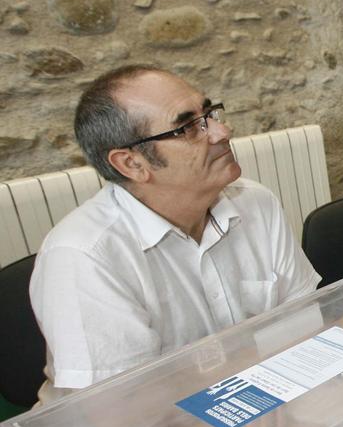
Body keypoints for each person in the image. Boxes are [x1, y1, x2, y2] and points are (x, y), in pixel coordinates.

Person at [30, 65, 321, 405]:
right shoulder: (83, 256)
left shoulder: (256, 203)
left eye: (210, 113)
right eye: (187, 127)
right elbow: (126, 413)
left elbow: (308, 324)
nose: (221, 131)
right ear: (132, 164)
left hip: (259, 403)